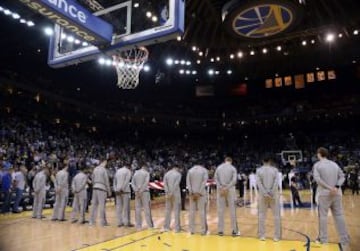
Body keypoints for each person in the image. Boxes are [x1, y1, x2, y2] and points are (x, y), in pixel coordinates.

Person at [313, 147, 350, 250]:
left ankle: (323, 239)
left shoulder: (317, 165)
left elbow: (317, 179)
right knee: (339, 215)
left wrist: (330, 188)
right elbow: (342, 176)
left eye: (317, 153)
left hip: (324, 194)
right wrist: (336, 187)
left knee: (323, 217)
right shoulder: (334, 164)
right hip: (337, 193)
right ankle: (345, 239)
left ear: (319, 154)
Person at [256, 155, 281, 241]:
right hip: (273, 195)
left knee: (262, 215)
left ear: (263, 161)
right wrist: (271, 192)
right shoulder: (275, 170)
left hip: (263, 196)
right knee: (276, 216)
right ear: (270, 161)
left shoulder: (259, 170)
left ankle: (262, 236)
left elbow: (259, 183)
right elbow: (276, 182)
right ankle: (277, 236)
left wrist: (265, 192)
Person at [215, 157, 240, 236]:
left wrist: (221, 187)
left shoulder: (219, 168)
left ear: (225, 161)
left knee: (220, 210)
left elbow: (216, 178)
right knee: (232, 210)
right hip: (230, 190)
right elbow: (234, 180)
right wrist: (227, 187)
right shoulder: (233, 168)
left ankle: (220, 231)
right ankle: (234, 231)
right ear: (231, 161)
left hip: (220, 190)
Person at [187, 165, 209, 235]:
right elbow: (204, 182)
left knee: (192, 212)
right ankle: (203, 230)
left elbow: (188, 183)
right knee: (202, 212)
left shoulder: (190, 170)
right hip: (201, 194)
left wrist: (191, 192)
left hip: (192, 194)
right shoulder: (204, 170)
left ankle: (191, 230)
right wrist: (199, 192)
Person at [89, 160, 111, 226]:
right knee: (102, 206)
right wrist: (109, 191)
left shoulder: (95, 169)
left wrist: (94, 185)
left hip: (95, 187)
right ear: (104, 162)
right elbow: (106, 181)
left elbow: (92, 179)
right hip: (102, 188)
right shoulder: (104, 170)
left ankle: (91, 222)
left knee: (94, 206)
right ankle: (102, 222)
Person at [131, 165, 154, 230]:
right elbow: (146, 183)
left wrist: (136, 190)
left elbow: (132, 183)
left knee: (138, 210)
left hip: (137, 193)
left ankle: (138, 226)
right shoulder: (146, 173)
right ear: (145, 167)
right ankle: (149, 225)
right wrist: (141, 190)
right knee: (147, 209)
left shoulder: (135, 173)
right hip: (145, 192)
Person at [163, 165, 182, 232]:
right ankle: (177, 228)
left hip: (168, 195)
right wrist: (172, 193)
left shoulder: (166, 174)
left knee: (167, 211)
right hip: (175, 194)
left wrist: (168, 192)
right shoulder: (178, 174)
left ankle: (166, 227)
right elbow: (176, 184)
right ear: (177, 168)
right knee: (176, 211)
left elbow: (165, 184)